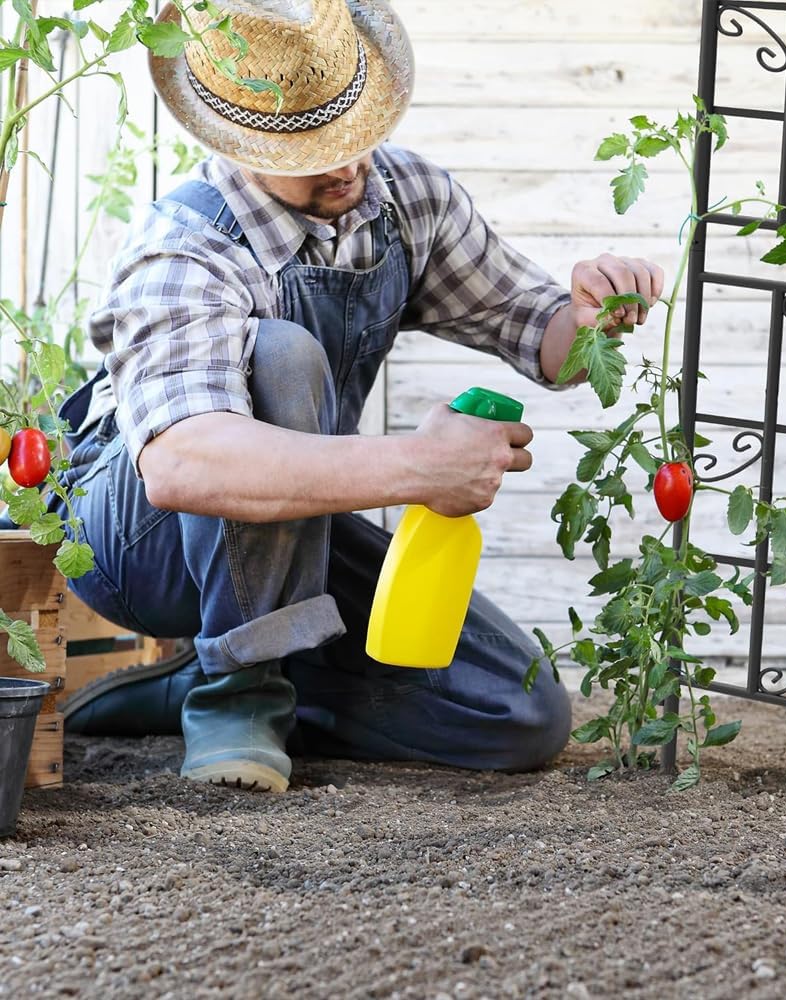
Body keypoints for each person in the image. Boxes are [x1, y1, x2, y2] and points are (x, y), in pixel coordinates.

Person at [57, 0, 665, 793]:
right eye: (310, 149)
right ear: (239, 145)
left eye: (351, 134)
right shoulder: (185, 249)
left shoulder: (405, 199)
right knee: (279, 354)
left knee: (518, 715)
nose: (346, 164)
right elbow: (183, 464)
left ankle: (195, 682)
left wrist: (588, 318)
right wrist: (419, 467)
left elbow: (540, 336)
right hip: (140, 541)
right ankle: (236, 696)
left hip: (291, 520)